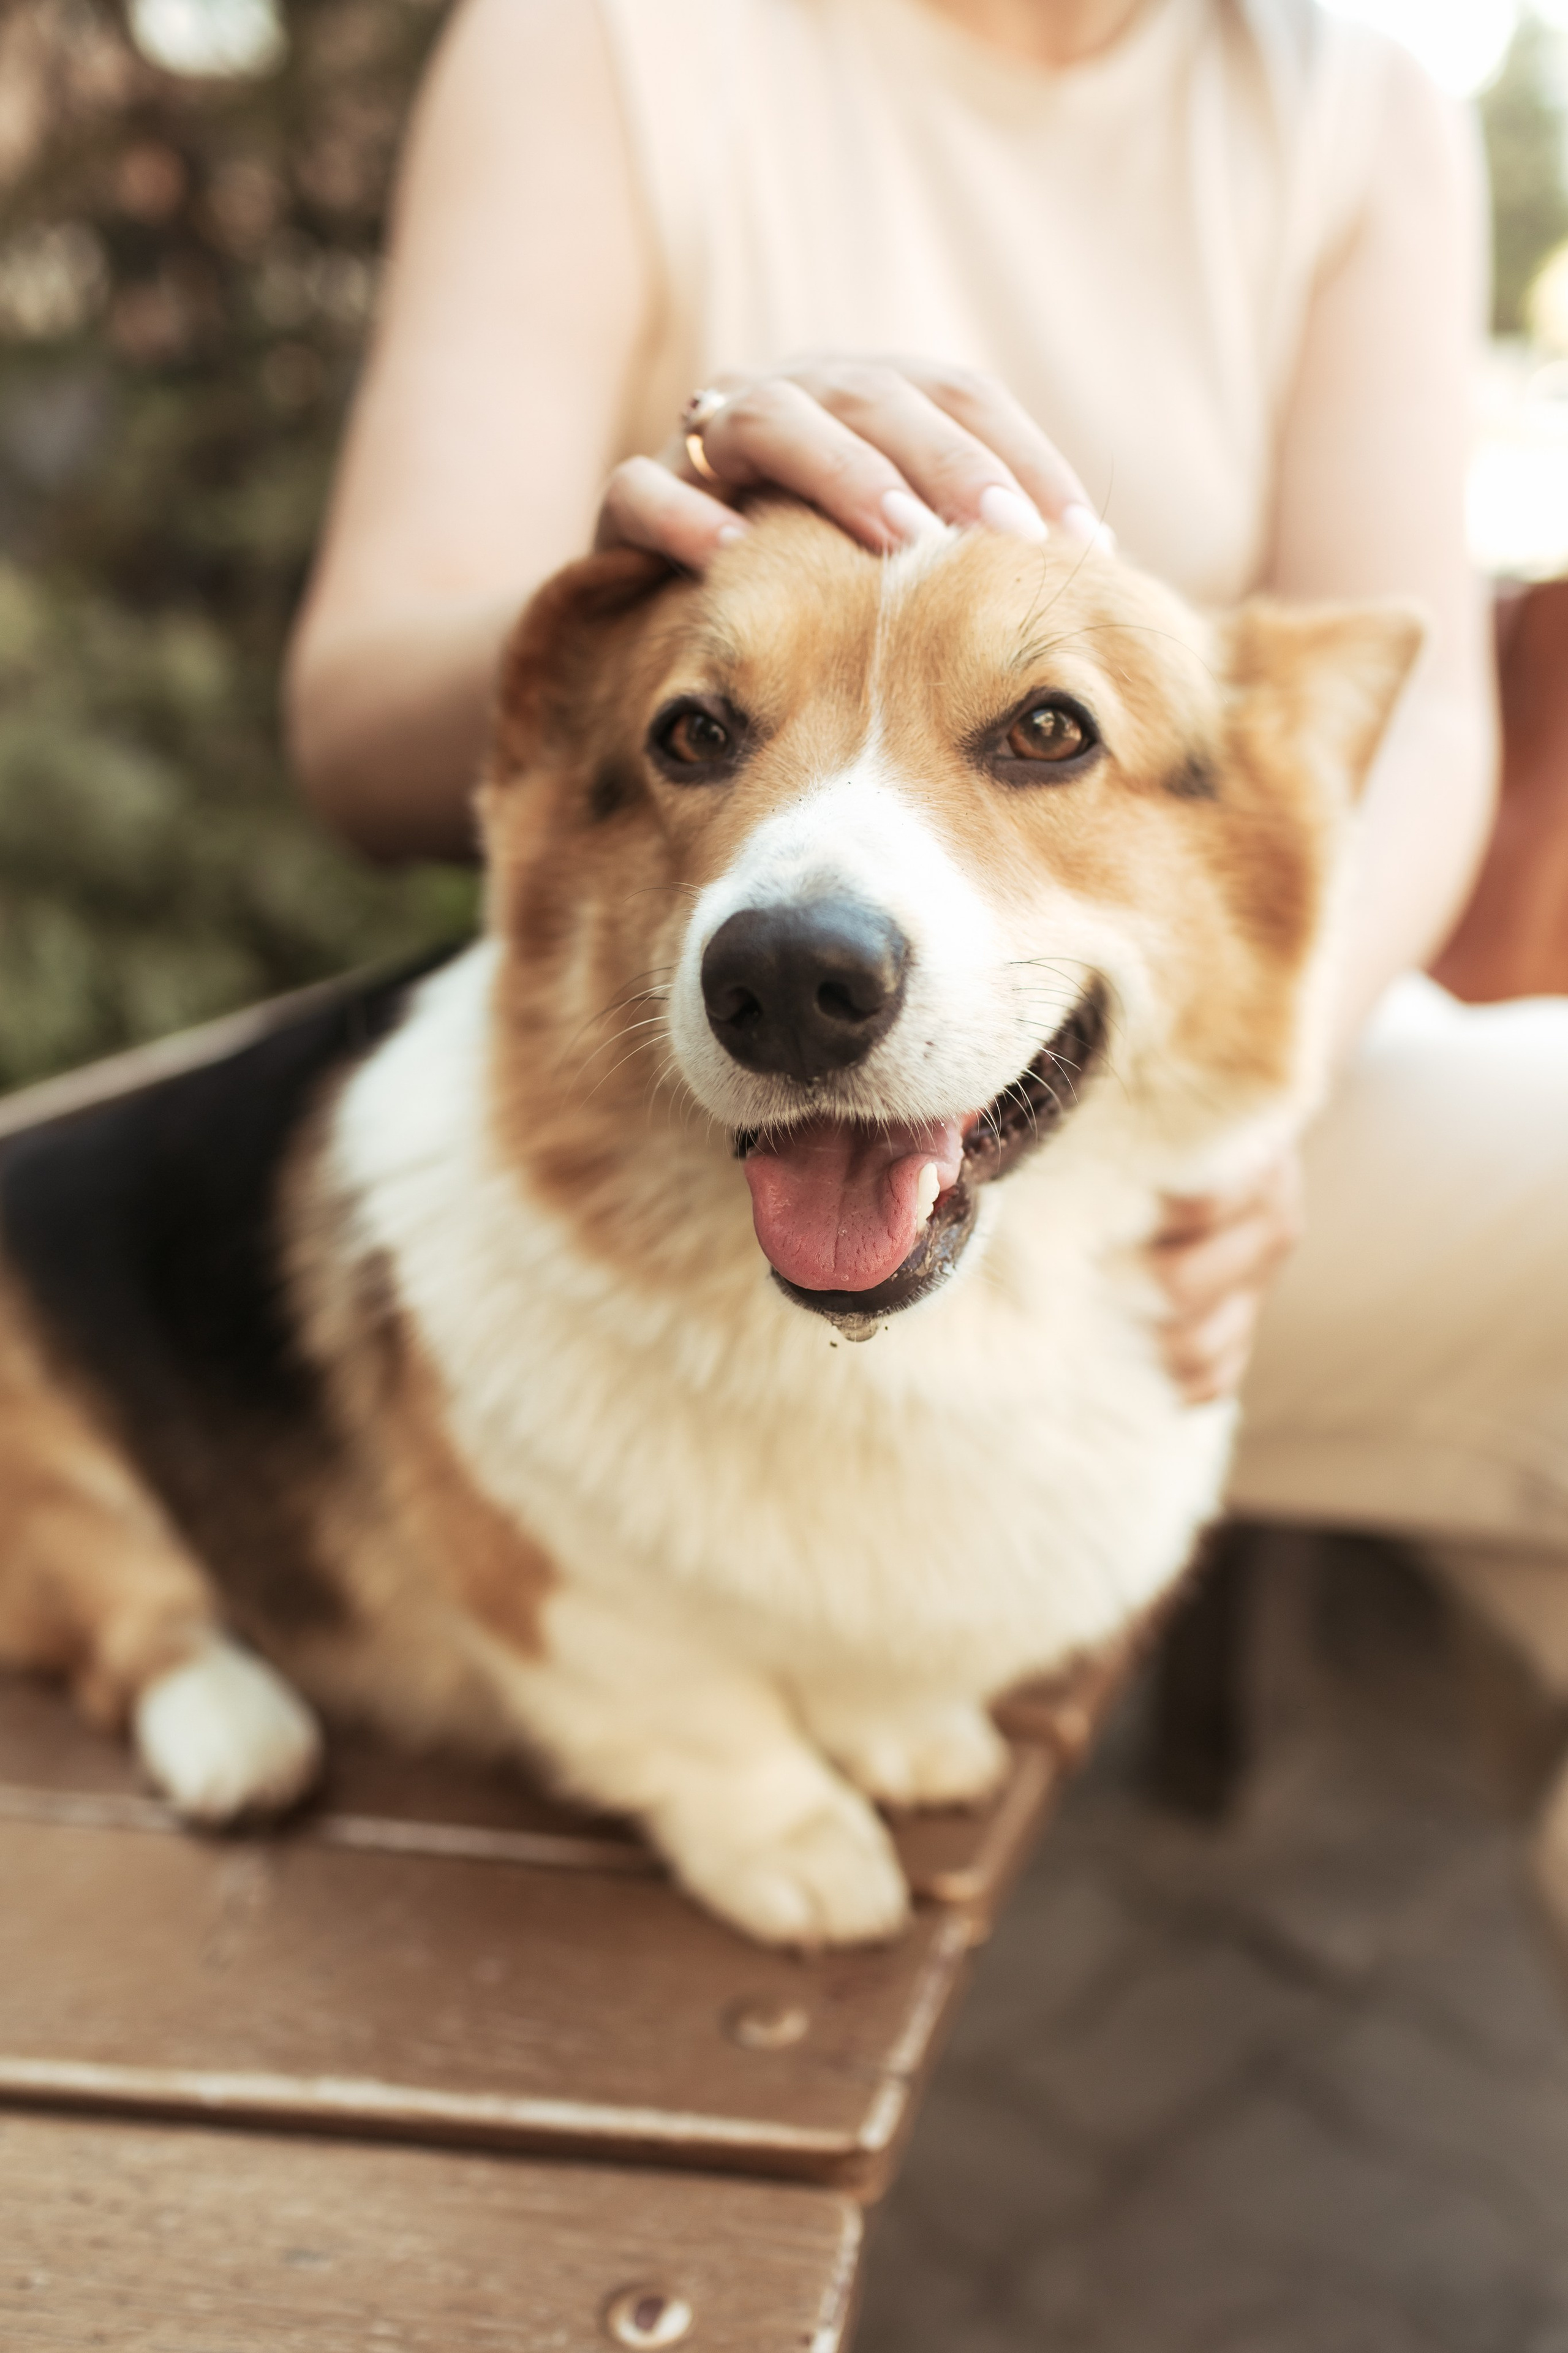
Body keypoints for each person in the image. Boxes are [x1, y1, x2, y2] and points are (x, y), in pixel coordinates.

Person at [284, 0, 1568, 1905]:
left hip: (1151, 1101)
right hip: (663, 1166)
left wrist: (1261, 1108)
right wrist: (637, 598)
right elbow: (351, 716)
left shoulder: (1355, 106)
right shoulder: (598, 41)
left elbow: (1413, 714)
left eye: (1034, 724)